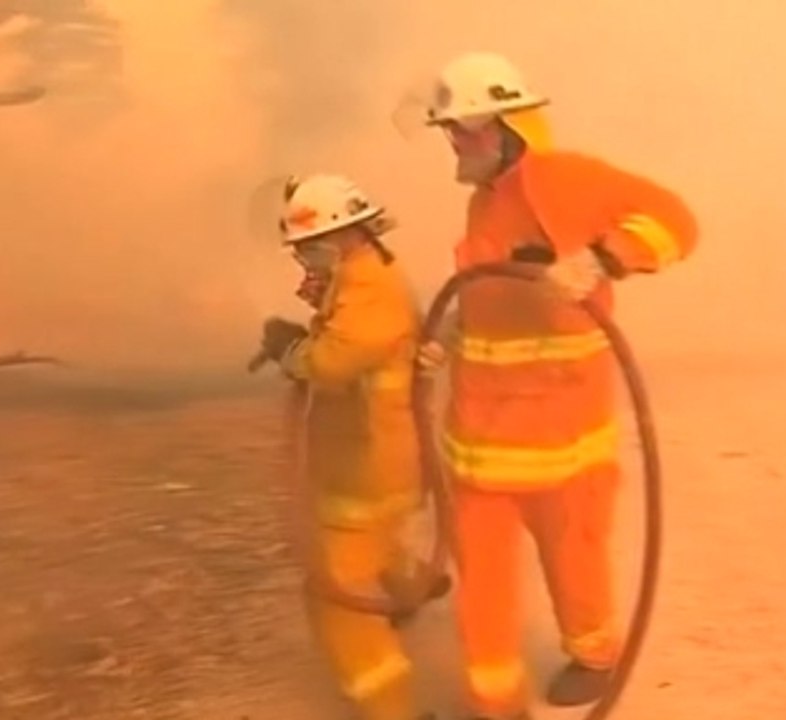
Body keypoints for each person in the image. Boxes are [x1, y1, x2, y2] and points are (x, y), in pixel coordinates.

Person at [411, 52, 700, 719]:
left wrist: (605, 257)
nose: (455, 141)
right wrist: (449, 333)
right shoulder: (486, 200)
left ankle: (594, 655)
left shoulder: (565, 180)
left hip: (562, 448)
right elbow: (490, 298)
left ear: (512, 125)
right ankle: (495, 706)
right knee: (481, 595)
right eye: (450, 129)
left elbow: (676, 220)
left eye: (468, 127)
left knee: (577, 568)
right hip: (480, 453)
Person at [253, 173, 446, 720]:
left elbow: (337, 359)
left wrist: (293, 348)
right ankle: (410, 583)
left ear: (340, 237)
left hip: (367, 462)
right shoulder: (363, 277)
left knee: (333, 597)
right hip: (375, 457)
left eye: (309, 251)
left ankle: (391, 707)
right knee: (374, 547)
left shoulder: (368, 291)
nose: (304, 263)